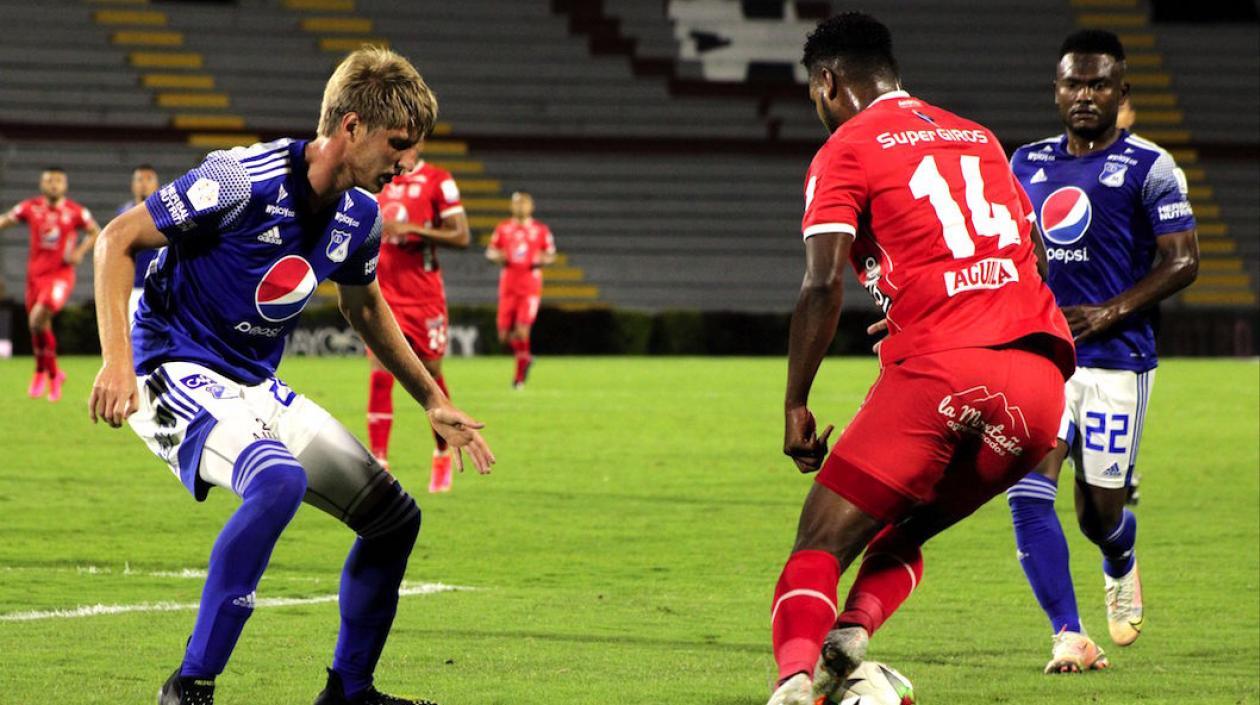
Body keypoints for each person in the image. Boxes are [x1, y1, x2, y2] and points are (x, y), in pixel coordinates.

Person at [88, 47, 495, 705]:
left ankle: (350, 692)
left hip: (252, 384)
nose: (407, 163)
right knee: (278, 481)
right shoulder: (240, 179)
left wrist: (432, 397)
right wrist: (116, 361)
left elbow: (364, 307)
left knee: (394, 520)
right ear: (351, 127)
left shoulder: (361, 216)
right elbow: (117, 239)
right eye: (398, 144)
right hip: (169, 367)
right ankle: (189, 687)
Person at [766, 13, 1076, 705]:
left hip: (941, 374)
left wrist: (796, 403)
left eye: (814, 94)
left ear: (827, 82)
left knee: (819, 542)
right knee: (907, 525)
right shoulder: (978, 137)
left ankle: (793, 682)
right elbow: (1034, 257)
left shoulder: (847, 147)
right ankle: (852, 633)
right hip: (1038, 389)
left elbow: (822, 283)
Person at [1006, 29, 1198, 674]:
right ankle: (1069, 635)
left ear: (1122, 91)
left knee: (1098, 516)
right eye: (1073, 83)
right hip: (1042, 357)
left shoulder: (1151, 166)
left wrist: (1109, 311)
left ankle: (1120, 554)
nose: (1084, 95)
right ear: (1056, 90)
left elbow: (1184, 261)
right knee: (1028, 491)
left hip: (1118, 361)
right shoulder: (1024, 163)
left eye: (1098, 84)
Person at [369, 157, 469, 492]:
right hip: (382, 294)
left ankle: (442, 452)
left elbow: (461, 235)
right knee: (380, 374)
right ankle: (380, 464)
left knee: (430, 373)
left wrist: (413, 229)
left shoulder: (438, 180)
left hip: (424, 297)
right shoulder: (377, 176)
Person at [0, 167, 100, 401]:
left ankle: (48, 375)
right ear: (42, 184)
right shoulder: (31, 207)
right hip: (34, 277)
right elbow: (5, 220)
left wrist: (79, 252)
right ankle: (46, 373)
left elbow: (95, 232)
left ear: (65, 185)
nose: (53, 184)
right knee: (38, 326)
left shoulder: (75, 212)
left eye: (58, 180)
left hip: (60, 276)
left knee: (37, 318)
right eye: (49, 180)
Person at [485, 191, 555, 389]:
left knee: (522, 332)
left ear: (531, 207)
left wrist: (541, 259)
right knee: (503, 336)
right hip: (508, 287)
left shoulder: (540, 230)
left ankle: (519, 378)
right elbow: (490, 251)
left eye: (524, 203)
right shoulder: (503, 228)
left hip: (529, 288)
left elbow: (551, 255)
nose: (521, 207)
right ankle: (526, 357)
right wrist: (498, 256)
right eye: (517, 203)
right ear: (511, 206)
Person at [116, 164, 161, 323]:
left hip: (159, 286)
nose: (144, 184)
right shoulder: (123, 213)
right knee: (132, 333)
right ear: (133, 185)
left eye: (149, 179)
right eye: (139, 179)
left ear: (157, 184)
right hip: (132, 287)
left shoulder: (166, 212)